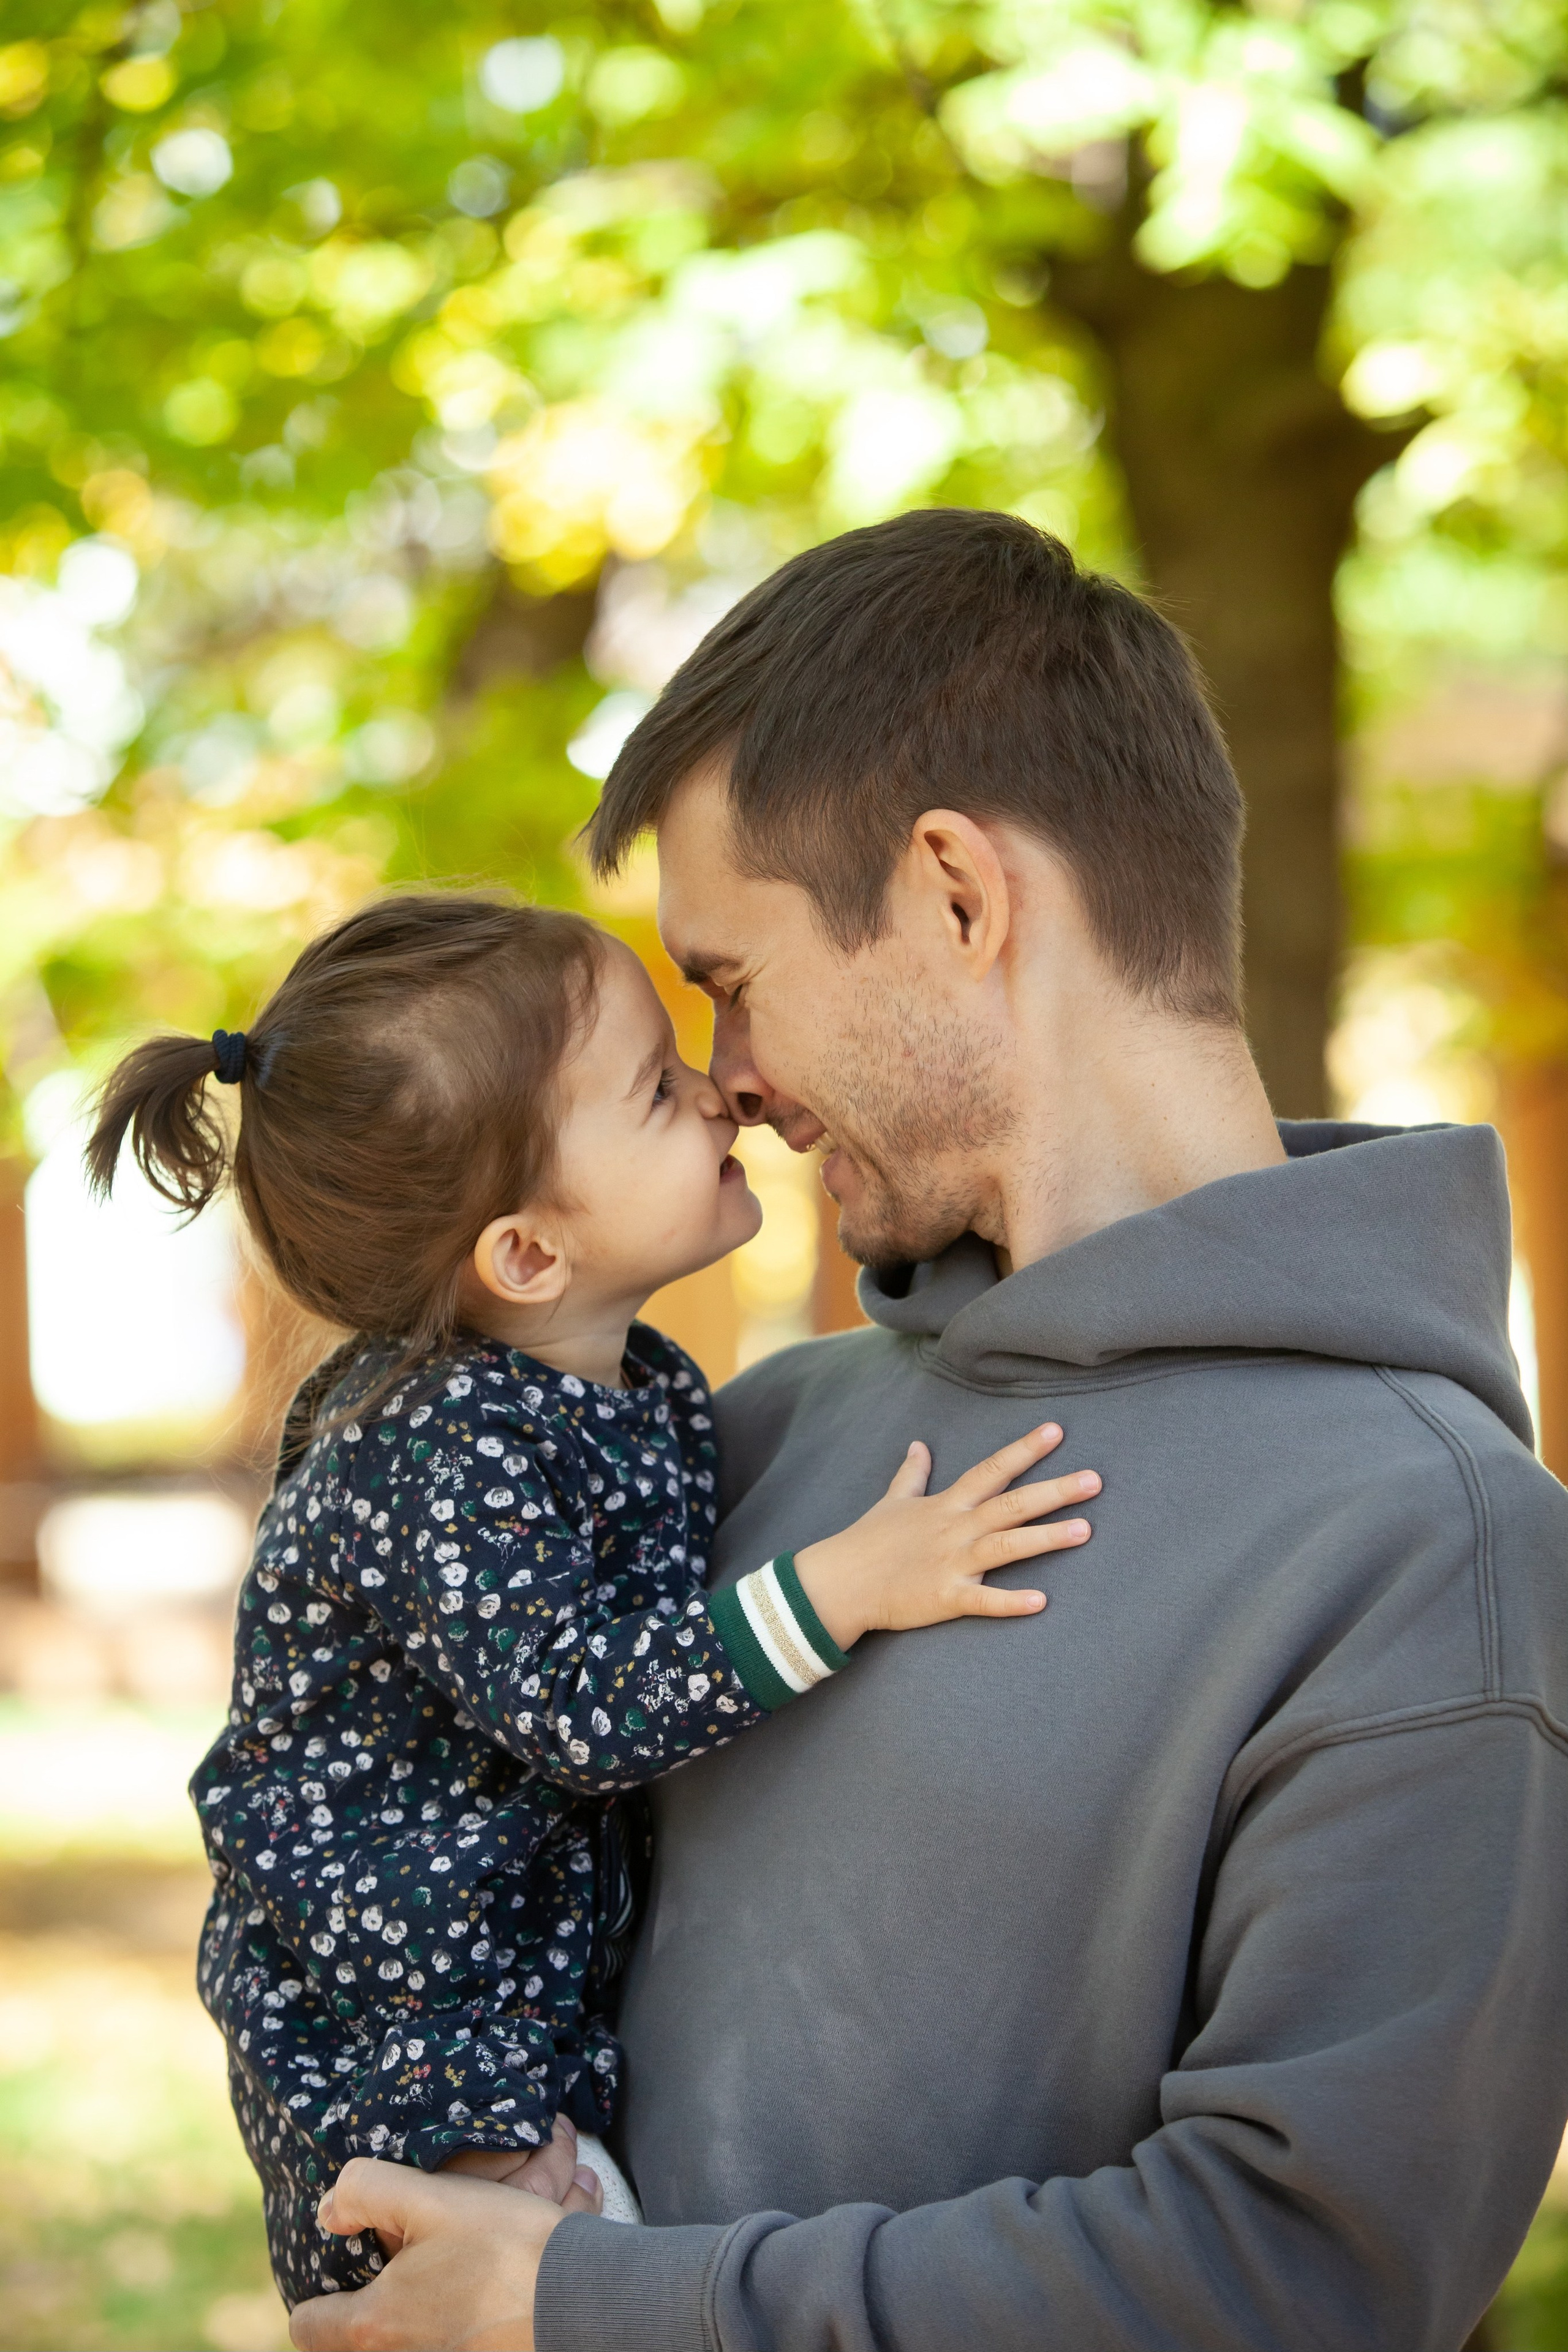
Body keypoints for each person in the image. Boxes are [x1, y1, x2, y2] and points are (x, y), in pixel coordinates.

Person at [290, 509, 1568, 2352]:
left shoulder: (1429, 1548)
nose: (722, 1079)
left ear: (959, 898)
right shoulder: (745, 1437)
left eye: (731, 980)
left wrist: (606, 2311)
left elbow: (1305, 2282)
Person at [85, 889, 1100, 2309]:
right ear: (527, 1255)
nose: (719, 1091)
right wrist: (850, 1584)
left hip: (522, 1988)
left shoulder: (630, 1391)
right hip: (418, 2060)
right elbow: (584, 1702)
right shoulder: (436, 1448)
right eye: (654, 1088)